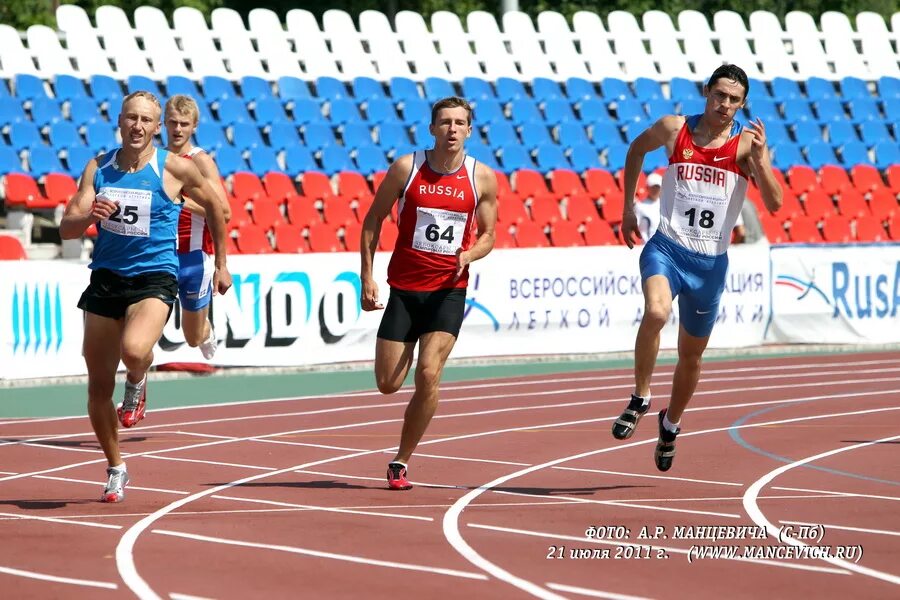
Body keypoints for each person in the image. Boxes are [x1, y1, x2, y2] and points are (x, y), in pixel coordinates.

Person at [59, 91, 231, 502]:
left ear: (157, 128)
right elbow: (67, 228)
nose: (138, 126)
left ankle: (137, 379)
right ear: (119, 121)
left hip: (155, 276)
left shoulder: (174, 168)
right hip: (105, 279)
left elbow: (218, 211)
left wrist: (221, 263)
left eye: (146, 120)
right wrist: (89, 216)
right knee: (98, 389)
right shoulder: (98, 168)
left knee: (135, 349)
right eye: (131, 118)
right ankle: (116, 466)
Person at [613, 65, 782, 471]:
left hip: (709, 265)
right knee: (656, 312)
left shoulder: (746, 145)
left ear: (742, 104)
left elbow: (775, 203)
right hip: (667, 248)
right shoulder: (674, 129)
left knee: (691, 357)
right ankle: (640, 396)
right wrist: (628, 209)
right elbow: (636, 149)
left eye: (734, 100)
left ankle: (670, 424)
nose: (724, 105)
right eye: (719, 95)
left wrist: (760, 161)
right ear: (706, 92)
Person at [360, 96, 498, 490]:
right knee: (388, 383)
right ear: (432, 128)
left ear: (469, 130)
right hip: (404, 288)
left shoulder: (481, 178)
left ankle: (401, 461)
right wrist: (366, 277)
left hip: (448, 291)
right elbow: (372, 222)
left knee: (428, 373)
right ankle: (404, 440)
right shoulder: (407, 168)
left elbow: (489, 235)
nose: (452, 129)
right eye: (445, 122)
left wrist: (469, 253)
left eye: (459, 123)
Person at [164, 94, 231, 359]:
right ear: (163, 125)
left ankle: (206, 330)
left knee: (192, 338)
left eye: (183, 123)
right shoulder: (157, 159)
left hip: (193, 258)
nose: (178, 129)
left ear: (194, 126)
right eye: (172, 123)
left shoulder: (200, 161)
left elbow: (223, 213)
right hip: (160, 257)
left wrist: (183, 203)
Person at [635, 171, 663, 241]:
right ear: (647, 188)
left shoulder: (665, 204)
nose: (655, 190)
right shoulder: (639, 206)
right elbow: (635, 227)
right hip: (647, 246)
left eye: (657, 187)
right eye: (652, 187)